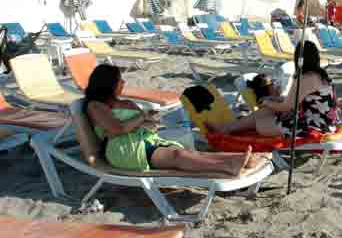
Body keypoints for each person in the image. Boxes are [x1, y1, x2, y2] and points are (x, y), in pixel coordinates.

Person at [85, 64, 262, 175]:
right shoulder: (96, 106)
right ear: (108, 84)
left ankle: (236, 159)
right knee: (178, 155)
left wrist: (146, 120)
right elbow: (117, 129)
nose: (123, 83)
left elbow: (151, 126)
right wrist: (142, 116)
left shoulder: (127, 103)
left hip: (147, 140)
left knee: (187, 153)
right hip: (125, 150)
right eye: (119, 80)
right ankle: (229, 165)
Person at [212, 41, 339, 138]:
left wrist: (267, 102)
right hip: (323, 121)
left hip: (314, 127)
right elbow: (300, 99)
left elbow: (287, 107)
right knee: (265, 113)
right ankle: (227, 128)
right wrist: (274, 99)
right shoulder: (320, 75)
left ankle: (227, 128)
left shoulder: (305, 78)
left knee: (261, 123)